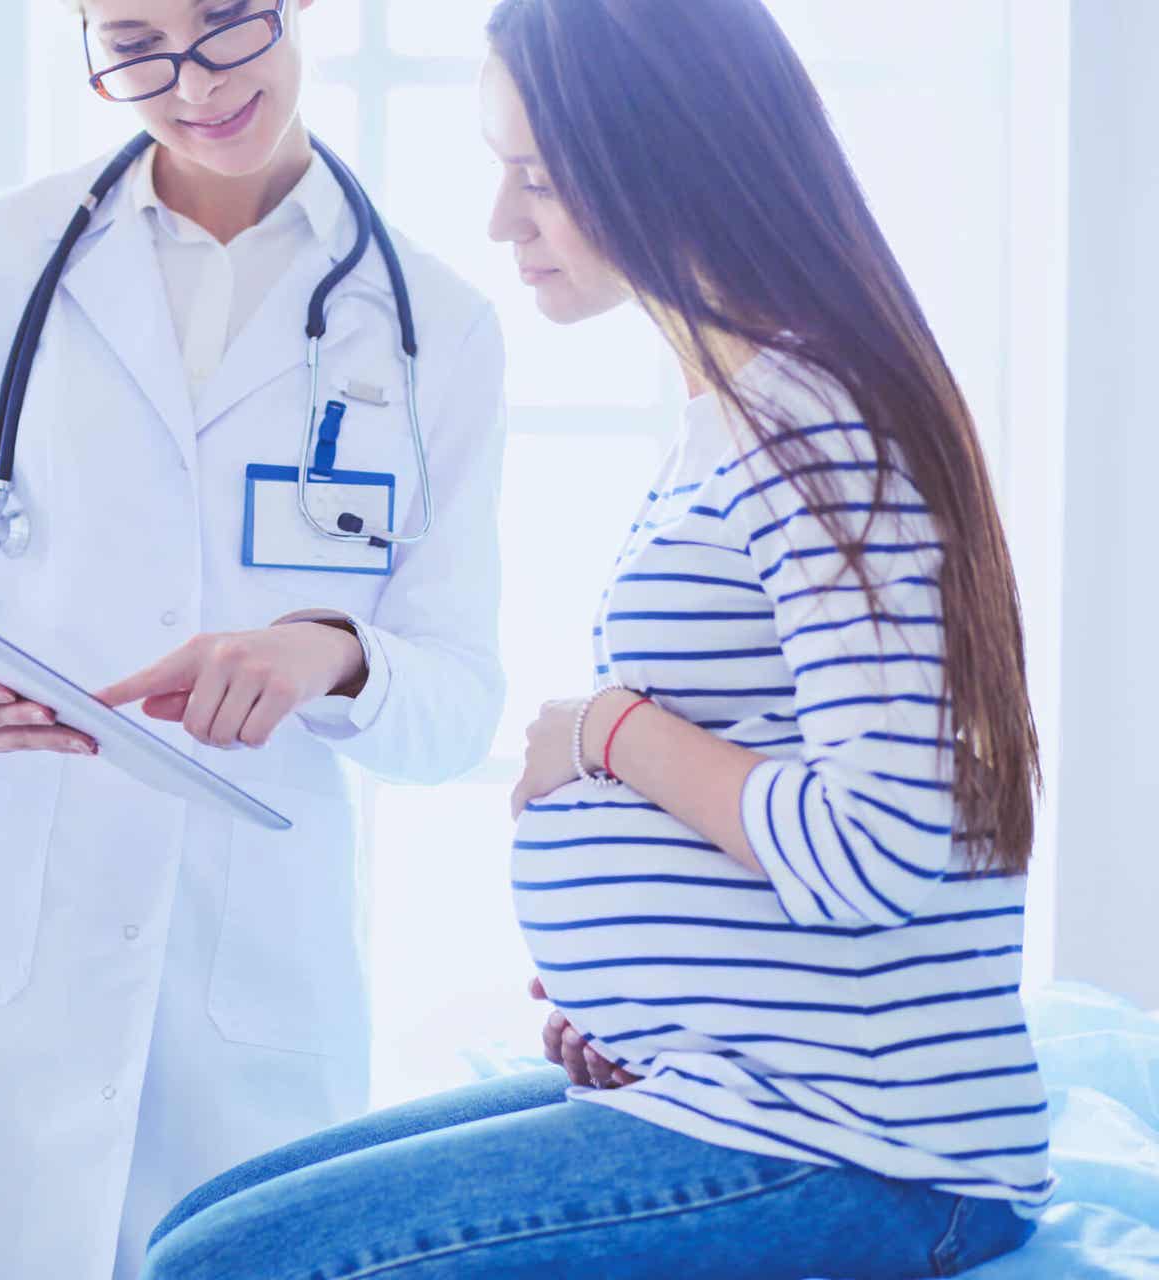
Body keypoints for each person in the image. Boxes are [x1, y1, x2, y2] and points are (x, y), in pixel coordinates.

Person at [140, 1, 1047, 1275]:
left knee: (222, 1265)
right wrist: (666, 1015)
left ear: (665, 161)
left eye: (537, 178)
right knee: (193, 1227)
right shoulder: (734, 414)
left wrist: (604, 732)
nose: (504, 221)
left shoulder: (818, 426)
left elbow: (885, 845)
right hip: (742, 1085)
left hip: (865, 1149)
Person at [0, 1, 509, 1275]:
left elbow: (457, 699)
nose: (192, 82)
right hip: (1, 958)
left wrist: (332, 655)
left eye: (226, 21)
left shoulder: (438, 328)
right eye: (136, 42)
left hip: (249, 998)